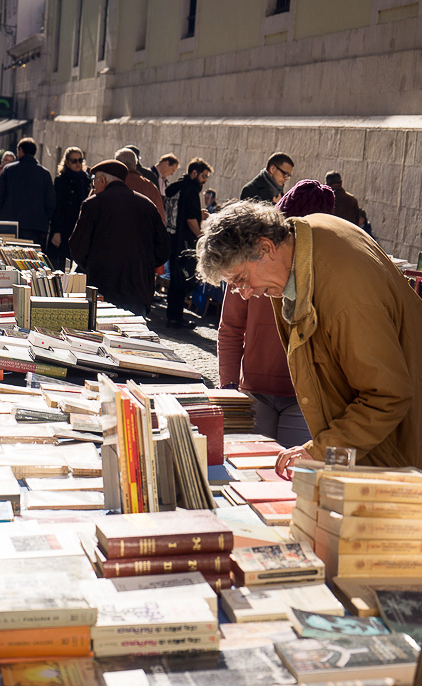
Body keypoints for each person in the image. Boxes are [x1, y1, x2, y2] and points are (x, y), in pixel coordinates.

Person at [196, 199, 422, 478]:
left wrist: (320, 451)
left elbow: (388, 395)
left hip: (399, 453)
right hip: (375, 442)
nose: (245, 293)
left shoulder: (345, 295)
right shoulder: (302, 245)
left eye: (242, 280)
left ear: (266, 248)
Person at [218, 180, 334, 448]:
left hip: (305, 397)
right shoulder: (249, 261)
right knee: (252, 470)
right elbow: (231, 328)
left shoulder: (326, 268)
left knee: (291, 476)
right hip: (255, 391)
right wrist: (228, 385)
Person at [69, 159, 170, 316]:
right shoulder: (147, 205)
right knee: (134, 339)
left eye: (94, 180)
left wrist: (92, 266)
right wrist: (144, 266)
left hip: (102, 287)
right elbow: (163, 249)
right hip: (138, 291)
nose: (93, 186)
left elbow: (77, 247)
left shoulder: (93, 204)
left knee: (102, 337)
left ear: (102, 180)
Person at [165, 157, 213, 328]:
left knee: (176, 280)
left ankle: (173, 315)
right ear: (194, 173)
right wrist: (201, 236)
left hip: (172, 238)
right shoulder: (191, 190)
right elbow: (190, 219)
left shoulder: (177, 186)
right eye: (204, 176)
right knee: (181, 281)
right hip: (184, 243)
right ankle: (175, 317)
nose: (205, 180)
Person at [0, 137, 55, 247]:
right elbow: (50, 202)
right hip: (35, 227)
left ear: (20, 150)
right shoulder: (45, 174)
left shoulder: (8, 170)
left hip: (9, 225)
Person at [47, 146, 91, 271]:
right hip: (63, 227)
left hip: (79, 228)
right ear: (67, 162)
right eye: (74, 160)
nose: (78, 163)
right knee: (58, 267)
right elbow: (57, 206)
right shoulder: (60, 180)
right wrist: (56, 231)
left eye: (80, 160)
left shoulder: (86, 181)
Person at [115, 148, 165, 222]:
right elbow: (161, 219)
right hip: (143, 231)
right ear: (135, 164)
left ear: (116, 164)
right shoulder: (150, 187)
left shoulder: (107, 184)